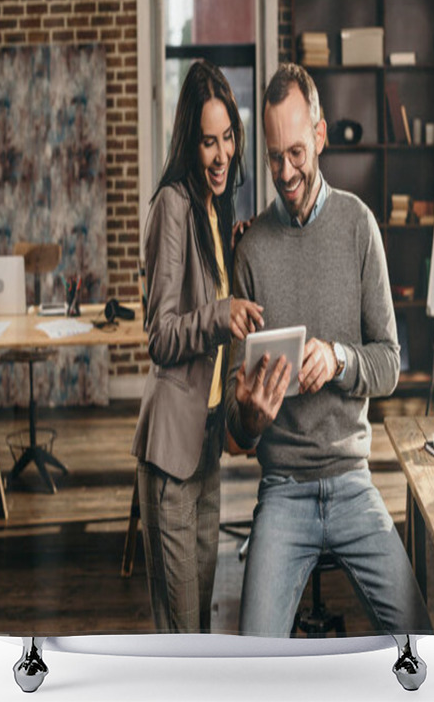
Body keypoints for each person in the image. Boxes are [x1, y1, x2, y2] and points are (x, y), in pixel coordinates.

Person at [225, 63, 432, 637]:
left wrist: (340, 359)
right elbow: (233, 423)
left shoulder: (360, 226)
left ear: (319, 136)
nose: (285, 171)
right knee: (252, 655)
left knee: (421, 637)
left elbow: (389, 363)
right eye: (272, 157)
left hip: (352, 483)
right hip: (283, 489)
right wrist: (249, 414)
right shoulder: (251, 251)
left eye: (295, 151)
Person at [132, 60, 264, 633]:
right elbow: (161, 334)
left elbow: (204, 293)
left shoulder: (215, 211)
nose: (221, 154)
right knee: (181, 631)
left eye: (228, 137)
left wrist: (231, 260)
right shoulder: (173, 206)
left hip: (207, 442)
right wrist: (219, 313)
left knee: (201, 623)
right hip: (171, 454)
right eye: (208, 141)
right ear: (191, 140)